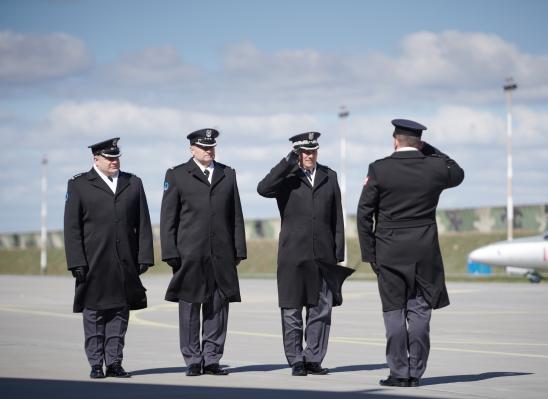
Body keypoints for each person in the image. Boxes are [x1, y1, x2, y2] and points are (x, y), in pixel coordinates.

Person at [356, 119, 464, 387]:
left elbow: (364, 215)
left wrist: (370, 254)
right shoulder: (435, 167)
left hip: (389, 249)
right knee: (419, 310)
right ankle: (415, 372)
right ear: (420, 142)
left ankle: (398, 372)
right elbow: (458, 172)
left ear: (395, 140)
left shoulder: (379, 170)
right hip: (424, 249)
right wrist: (430, 150)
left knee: (393, 311)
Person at [257, 132, 353, 376]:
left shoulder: (329, 176)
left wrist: (338, 252)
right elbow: (263, 188)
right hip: (292, 255)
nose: (309, 155)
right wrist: (288, 161)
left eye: (313, 151)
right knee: (291, 310)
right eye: (304, 152)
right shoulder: (285, 177)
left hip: (323, 255)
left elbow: (337, 218)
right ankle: (296, 359)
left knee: (321, 309)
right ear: (297, 153)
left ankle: (314, 359)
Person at [64, 137, 154, 379]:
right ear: (96, 159)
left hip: (124, 261)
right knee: (93, 314)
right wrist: (76, 262)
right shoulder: (80, 185)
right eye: (109, 158)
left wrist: (144, 256)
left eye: (117, 157)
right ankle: (96, 363)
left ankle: (114, 362)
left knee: (119, 313)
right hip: (93, 262)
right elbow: (72, 228)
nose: (114, 161)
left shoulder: (133, 183)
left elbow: (143, 223)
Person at [160, 128, 246, 377]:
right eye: (203, 146)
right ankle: (193, 360)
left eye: (211, 146)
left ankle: (211, 359)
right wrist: (170, 253)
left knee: (218, 309)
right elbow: (168, 218)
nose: (209, 150)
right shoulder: (177, 175)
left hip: (221, 254)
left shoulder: (227, 174)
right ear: (192, 149)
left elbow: (236, 215)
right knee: (189, 309)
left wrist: (238, 249)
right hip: (189, 254)